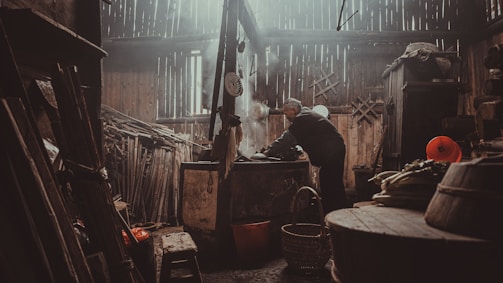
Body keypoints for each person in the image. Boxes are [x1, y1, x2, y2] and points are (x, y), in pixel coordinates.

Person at [255, 98, 347, 215]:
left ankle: (335, 216)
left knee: (331, 184)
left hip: (333, 152)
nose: (285, 116)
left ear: (293, 109)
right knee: (330, 183)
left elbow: (287, 139)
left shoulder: (301, 118)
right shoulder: (305, 115)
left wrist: (267, 153)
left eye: (286, 112)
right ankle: (333, 214)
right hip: (334, 150)